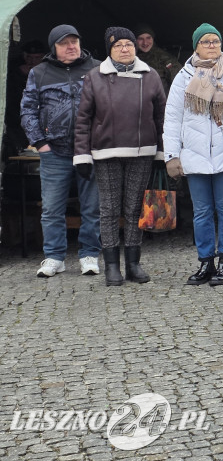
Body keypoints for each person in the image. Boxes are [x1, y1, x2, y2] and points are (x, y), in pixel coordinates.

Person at [163, 24, 223, 286]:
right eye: (205, 41)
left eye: (215, 41)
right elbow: (172, 118)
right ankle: (206, 261)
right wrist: (172, 155)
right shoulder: (183, 76)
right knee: (202, 212)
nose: (212, 45)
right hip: (194, 154)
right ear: (196, 45)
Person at [73, 27, 165, 286]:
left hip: (142, 151)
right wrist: (81, 154)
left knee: (135, 209)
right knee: (110, 210)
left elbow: (161, 116)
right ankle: (112, 265)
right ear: (109, 50)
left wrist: (163, 151)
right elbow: (83, 119)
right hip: (106, 151)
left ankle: (134, 264)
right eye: (118, 45)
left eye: (129, 44)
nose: (125, 49)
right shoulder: (95, 77)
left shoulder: (150, 75)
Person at [21, 25, 102, 278]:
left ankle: (89, 254)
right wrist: (40, 143)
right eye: (64, 43)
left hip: (90, 150)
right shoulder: (39, 72)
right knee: (52, 209)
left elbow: (111, 106)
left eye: (74, 41)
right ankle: (54, 257)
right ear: (53, 48)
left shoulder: (98, 69)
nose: (71, 47)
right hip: (54, 152)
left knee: (92, 207)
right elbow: (27, 110)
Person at [135, 25, 181, 94]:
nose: (145, 42)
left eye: (148, 38)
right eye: (140, 39)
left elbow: (179, 83)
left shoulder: (164, 58)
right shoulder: (129, 58)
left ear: (153, 38)